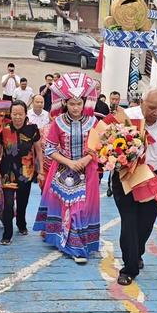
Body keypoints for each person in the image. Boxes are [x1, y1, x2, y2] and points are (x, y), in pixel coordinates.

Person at [112, 87, 157, 285]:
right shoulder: (126, 117)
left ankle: (136, 253)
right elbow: (109, 145)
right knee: (129, 221)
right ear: (141, 102)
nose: (156, 113)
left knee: (145, 224)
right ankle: (129, 268)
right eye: (151, 108)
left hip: (154, 178)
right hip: (126, 176)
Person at [33, 72, 100, 264]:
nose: (76, 107)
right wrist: (69, 162)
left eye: (79, 103)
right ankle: (75, 247)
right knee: (72, 207)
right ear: (65, 103)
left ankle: (79, 241)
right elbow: (50, 149)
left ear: (84, 102)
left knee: (82, 208)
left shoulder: (94, 122)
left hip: (88, 171)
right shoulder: (58, 123)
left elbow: (99, 147)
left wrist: (86, 159)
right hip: (64, 169)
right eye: (72, 103)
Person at [0, 101, 44, 245]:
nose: (17, 117)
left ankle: (21, 223)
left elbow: (38, 151)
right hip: (7, 170)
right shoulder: (4, 129)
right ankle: (7, 233)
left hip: (26, 170)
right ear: (11, 114)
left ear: (26, 114)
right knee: (8, 203)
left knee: (22, 201)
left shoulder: (32, 129)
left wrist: (40, 171)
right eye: (14, 114)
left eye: (20, 114)